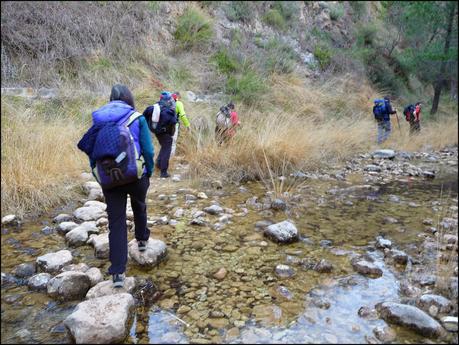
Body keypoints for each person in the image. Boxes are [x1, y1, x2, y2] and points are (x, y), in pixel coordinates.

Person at [78, 84, 154, 288]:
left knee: (116, 222)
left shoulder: (98, 120)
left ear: (111, 98)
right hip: (136, 175)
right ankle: (142, 240)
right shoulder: (137, 117)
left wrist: (100, 175)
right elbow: (148, 150)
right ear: (128, 98)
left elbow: (92, 152)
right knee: (139, 205)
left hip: (110, 178)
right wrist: (150, 171)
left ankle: (118, 273)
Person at [143, 91, 177, 178]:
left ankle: (158, 164)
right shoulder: (168, 111)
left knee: (164, 146)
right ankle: (163, 171)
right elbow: (173, 121)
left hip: (156, 132)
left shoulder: (154, 107)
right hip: (164, 133)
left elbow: (144, 114)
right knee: (167, 148)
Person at [171, 91, 191, 157]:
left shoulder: (166, 102)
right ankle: (171, 160)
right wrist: (187, 125)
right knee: (173, 143)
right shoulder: (179, 103)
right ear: (178, 97)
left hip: (163, 125)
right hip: (173, 125)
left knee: (165, 143)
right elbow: (183, 115)